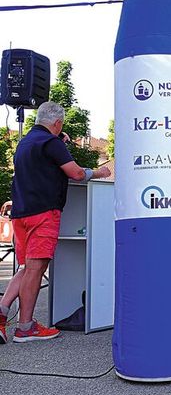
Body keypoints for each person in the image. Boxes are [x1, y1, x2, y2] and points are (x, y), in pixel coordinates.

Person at [0, 102, 111, 344]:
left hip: (20, 213)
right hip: (44, 213)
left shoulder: (25, 143)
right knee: (36, 269)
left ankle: (2, 310)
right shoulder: (52, 144)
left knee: (26, 268)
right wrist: (98, 172)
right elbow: (76, 174)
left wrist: (59, 137)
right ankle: (25, 328)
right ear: (58, 123)